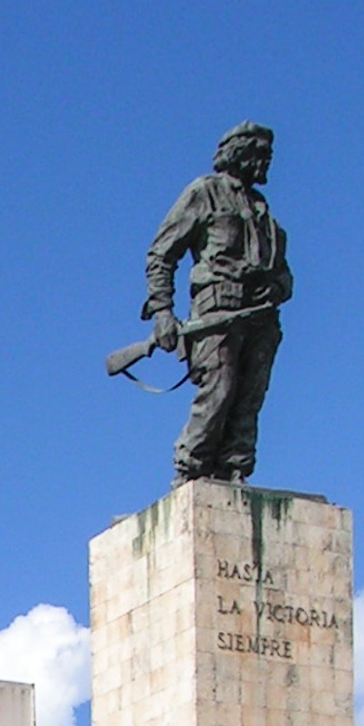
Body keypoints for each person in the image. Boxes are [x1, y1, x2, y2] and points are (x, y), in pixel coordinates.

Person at [141, 121, 292, 484]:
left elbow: (281, 268)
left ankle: (235, 469)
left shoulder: (262, 208)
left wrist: (280, 286)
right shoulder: (205, 192)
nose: (267, 163)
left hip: (261, 315)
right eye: (261, 155)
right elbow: (162, 254)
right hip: (217, 312)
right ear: (241, 153)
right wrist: (163, 311)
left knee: (249, 397)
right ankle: (190, 470)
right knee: (218, 391)